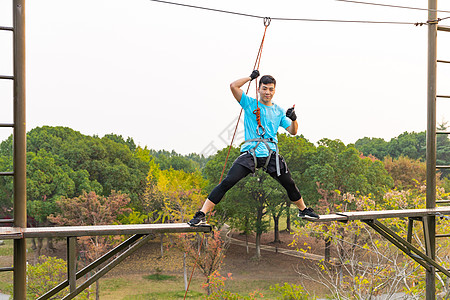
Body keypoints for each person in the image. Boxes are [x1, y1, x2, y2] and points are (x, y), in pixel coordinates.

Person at [188, 70, 319, 226]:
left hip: (271, 154)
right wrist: (250, 78)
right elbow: (233, 86)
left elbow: (293, 131)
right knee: (228, 182)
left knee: (289, 183)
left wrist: (294, 119)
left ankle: (303, 210)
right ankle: (201, 214)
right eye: (264, 88)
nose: (267, 92)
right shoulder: (250, 103)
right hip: (251, 153)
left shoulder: (278, 111)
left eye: (270, 89)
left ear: (274, 90)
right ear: (259, 89)